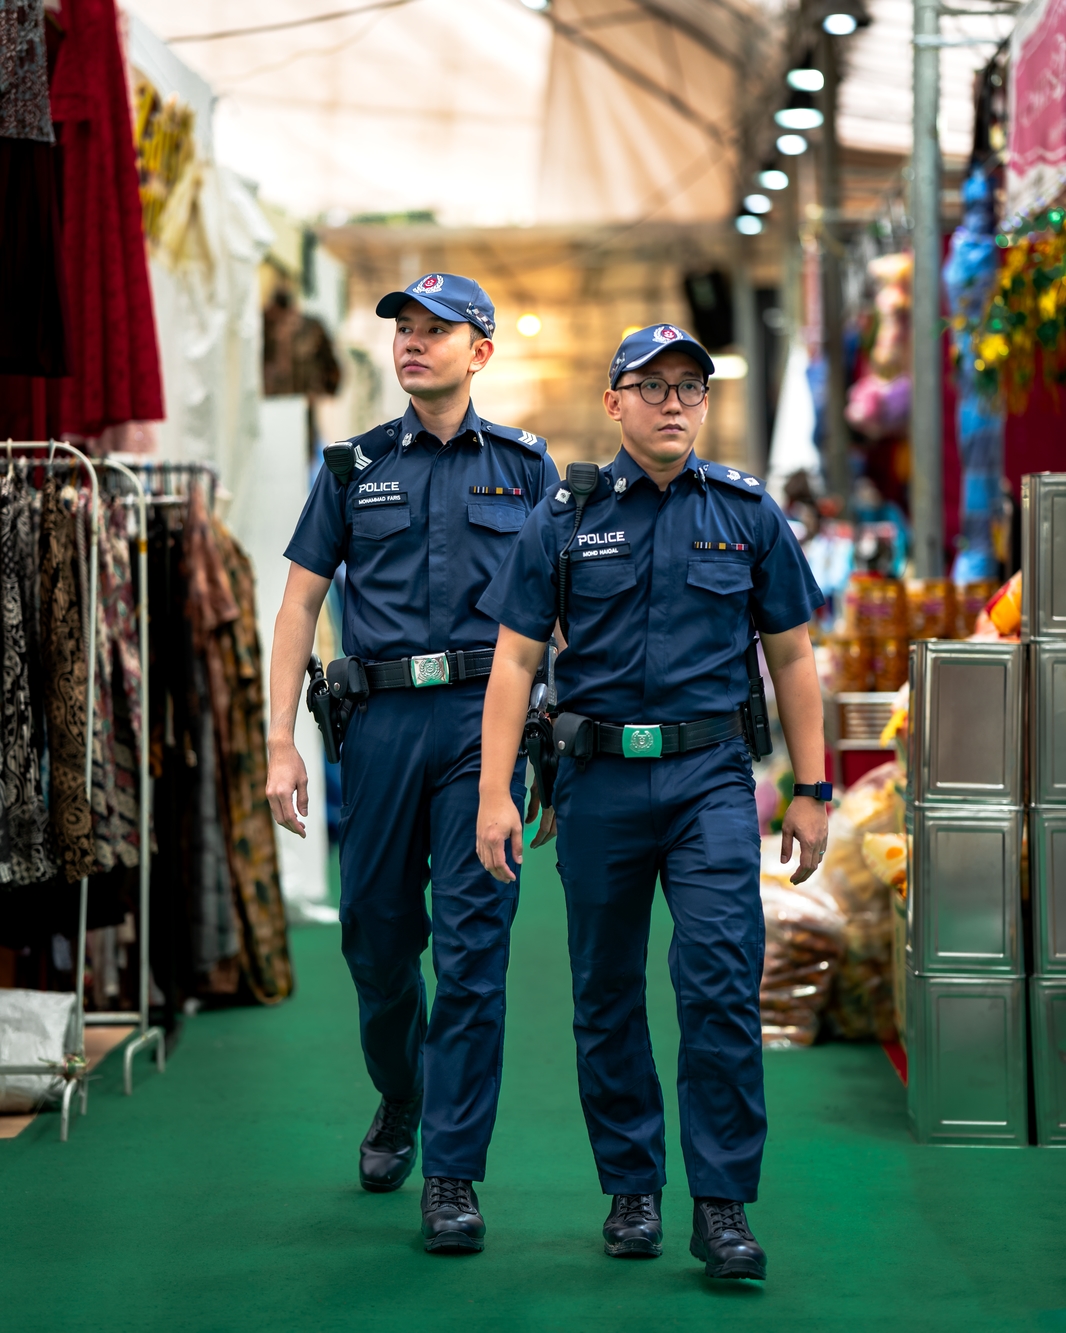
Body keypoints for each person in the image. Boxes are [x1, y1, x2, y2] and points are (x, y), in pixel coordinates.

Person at [474, 323, 828, 1282]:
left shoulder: (748, 515)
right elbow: (515, 656)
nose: (674, 402)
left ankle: (722, 1206)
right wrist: (495, 791)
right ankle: (632, 1189)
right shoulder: (563, 516)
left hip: (711, 780)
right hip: (597, 784)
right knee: (606, 991)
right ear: (613, 401)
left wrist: (813, 785)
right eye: (653, 385)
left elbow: (792, 655)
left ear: (705, 405)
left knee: (717, 983)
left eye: (690, 388)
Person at [266, 273, 558, 1255]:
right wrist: (278, 741)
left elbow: (566, 612)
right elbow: (299, 604)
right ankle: (400, 1094)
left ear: (480, 350)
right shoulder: (352, 466)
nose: (414, 344)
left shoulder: (526, 468)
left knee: (474, 961)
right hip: (381, 729)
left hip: (487, 729)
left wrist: (556, 745)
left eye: (438, 331)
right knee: (377, 948)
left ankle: (452, 1173)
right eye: (406, 330)